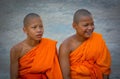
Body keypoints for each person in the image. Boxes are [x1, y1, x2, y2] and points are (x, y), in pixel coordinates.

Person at [59, 9, 111, 79]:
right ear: (74, 26)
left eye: (92, 24)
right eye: (85, 25)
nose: (90, 28)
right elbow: (66, 76)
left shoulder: (98, 40)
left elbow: (105, 69)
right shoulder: (66, 46)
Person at [10, 13, 62, 79]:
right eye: (34, 27)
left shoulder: (49, 45)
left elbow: (56, 71)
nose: (39, 30)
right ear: (25, 30)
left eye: (41, 26)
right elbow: (14, 77)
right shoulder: (16, 50)